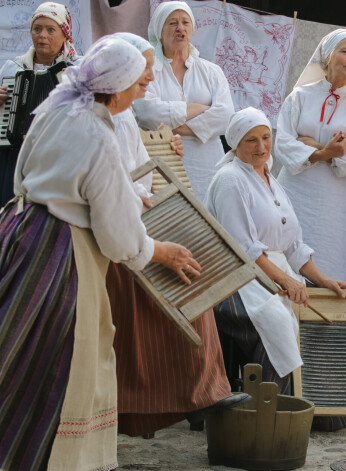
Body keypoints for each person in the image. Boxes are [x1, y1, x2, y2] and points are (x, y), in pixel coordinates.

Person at [0, 36, 201, 471]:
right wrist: (158, 249)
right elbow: (116, 238)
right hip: (61, 254)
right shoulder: (98, 134)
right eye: (140, 77)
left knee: (13, 349)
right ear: (119, 85)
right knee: (69, 362)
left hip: (20, 231)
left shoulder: (57, 107)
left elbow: (23, 172)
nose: (149, 79)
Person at [105, 32, 247, 439]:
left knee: (192, 277)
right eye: (144, 69)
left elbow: (138, 172)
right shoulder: (91, 118)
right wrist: (146, 233)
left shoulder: (125, 116)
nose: (151, 76)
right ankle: (144, 405)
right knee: (154, 291)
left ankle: (204, 393)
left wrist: (144, 196)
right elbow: (101, 187)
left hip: (132, 222)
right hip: (107, 237)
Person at [205, 107, 346, 393]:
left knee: (322, 315)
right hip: (240, 280)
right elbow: (245, 250)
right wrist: (285, 281)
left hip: (273, 274)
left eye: (266, 137)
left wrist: (323, 281)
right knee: (276, 320)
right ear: (236, 143)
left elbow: (293, 246)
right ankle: (266, 407)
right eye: (251, 140)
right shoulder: (230, 180)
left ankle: (332, 408)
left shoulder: (270, 179)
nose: (262, 147)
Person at [274, 28, 346, 281]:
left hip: (335, 203)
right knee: (287, 256)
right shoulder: (300, 96)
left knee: (332, 256)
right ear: (328, 56)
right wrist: (328, 151)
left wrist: (313, 146)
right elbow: (283, 146)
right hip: (295, 193)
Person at [132, 1, 234, 201]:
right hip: (161, 158)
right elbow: (147, 114)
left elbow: (225, 117)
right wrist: (201, 108)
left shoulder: (211, 71)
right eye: (172, 23)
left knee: (209, 215)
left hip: (208, 164)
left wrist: (169, 126)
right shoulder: (149, 72)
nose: (180, 28)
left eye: (185, 22)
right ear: (159, 31)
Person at [0, 2, 81, 207]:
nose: (42, 35)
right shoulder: (12, 69)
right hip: (14, 156)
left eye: (50, 29)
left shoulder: (77, 70)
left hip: (58, 158)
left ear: (65, 34)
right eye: (37, 29)